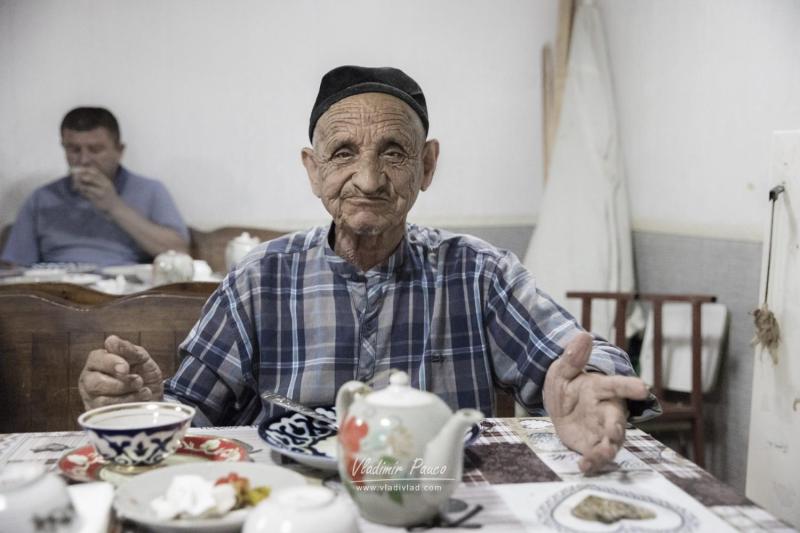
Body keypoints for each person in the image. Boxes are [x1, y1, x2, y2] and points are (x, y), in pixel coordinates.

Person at [78, 66, 659, 473]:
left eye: (394, 152)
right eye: (343, 153)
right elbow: (189, 414)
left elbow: (574, 358)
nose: (370, 179)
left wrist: (587, 389)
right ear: (312, 169)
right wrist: (138, 404)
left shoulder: (478, 273)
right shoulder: (261, 279)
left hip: (437, 503)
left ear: (427, 164)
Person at [0, 107, 189, 267]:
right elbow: (15, 265)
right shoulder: (42, 198)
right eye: (74, 149)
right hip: (56, 295)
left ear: (119, 150)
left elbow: (179, 251)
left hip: (124, 297)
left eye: (95, 150)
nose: (84, 160)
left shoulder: (150, 191)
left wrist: (114, 205)